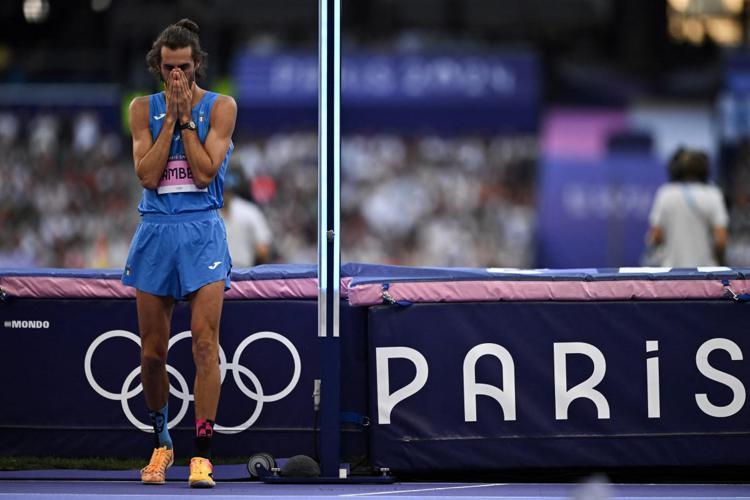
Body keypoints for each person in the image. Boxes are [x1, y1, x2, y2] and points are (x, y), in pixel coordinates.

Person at [121, 18, 237, 488]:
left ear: (196, 65)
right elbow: (147, 176)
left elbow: (206, 172)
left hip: (202, 230)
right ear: (157, 66)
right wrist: (169, 116)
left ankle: (203, 454)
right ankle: (162, 443)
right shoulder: (140, 109)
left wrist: (187, 116)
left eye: (184, 68)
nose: (177, 78)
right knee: (152, 353)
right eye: (169, 68)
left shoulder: (222, 106)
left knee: (205, 344)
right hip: (156, 230)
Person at [647, 147, 729, 267]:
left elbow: (656, 236)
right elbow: (721, 240)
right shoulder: (713, 194)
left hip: (672, 273)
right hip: (706, 274)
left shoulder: (666, 194)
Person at [221, 167, 272, 267]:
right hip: (228, 273)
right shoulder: (249, 210)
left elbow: (263, 249)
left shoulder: (249, 211)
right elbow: (263, 250)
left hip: (239, 271)